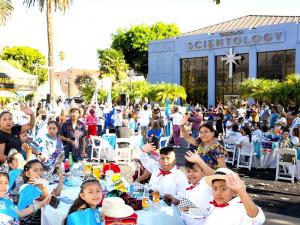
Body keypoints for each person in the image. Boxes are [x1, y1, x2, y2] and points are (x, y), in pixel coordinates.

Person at [18, 159, 63, 225]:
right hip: (32, 222)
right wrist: (43, 186)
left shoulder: (39, 184)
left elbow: (57, 193)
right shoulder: (28, 188)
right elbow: (51, 201)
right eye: (35, 170)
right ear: (27, 173)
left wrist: (61, 177)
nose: (39, 173)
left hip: (41, 219)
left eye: (41, 170)